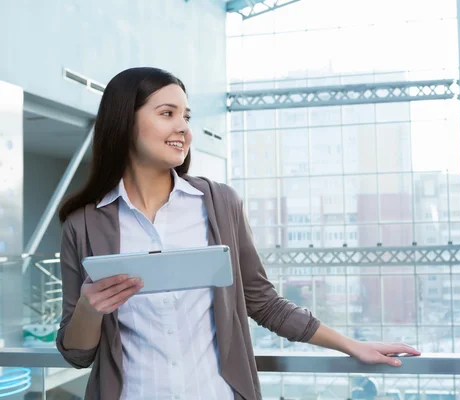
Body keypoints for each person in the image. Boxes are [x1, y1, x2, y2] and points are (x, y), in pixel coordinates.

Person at [56, 67, 420, 400]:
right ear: (124, 122)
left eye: (186, 117)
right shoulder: (83, 224)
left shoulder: (218, 203)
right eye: (167, 114)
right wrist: (90, 308)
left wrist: (351, 345)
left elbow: (263, 302)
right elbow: (76, 354)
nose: (183, 127)